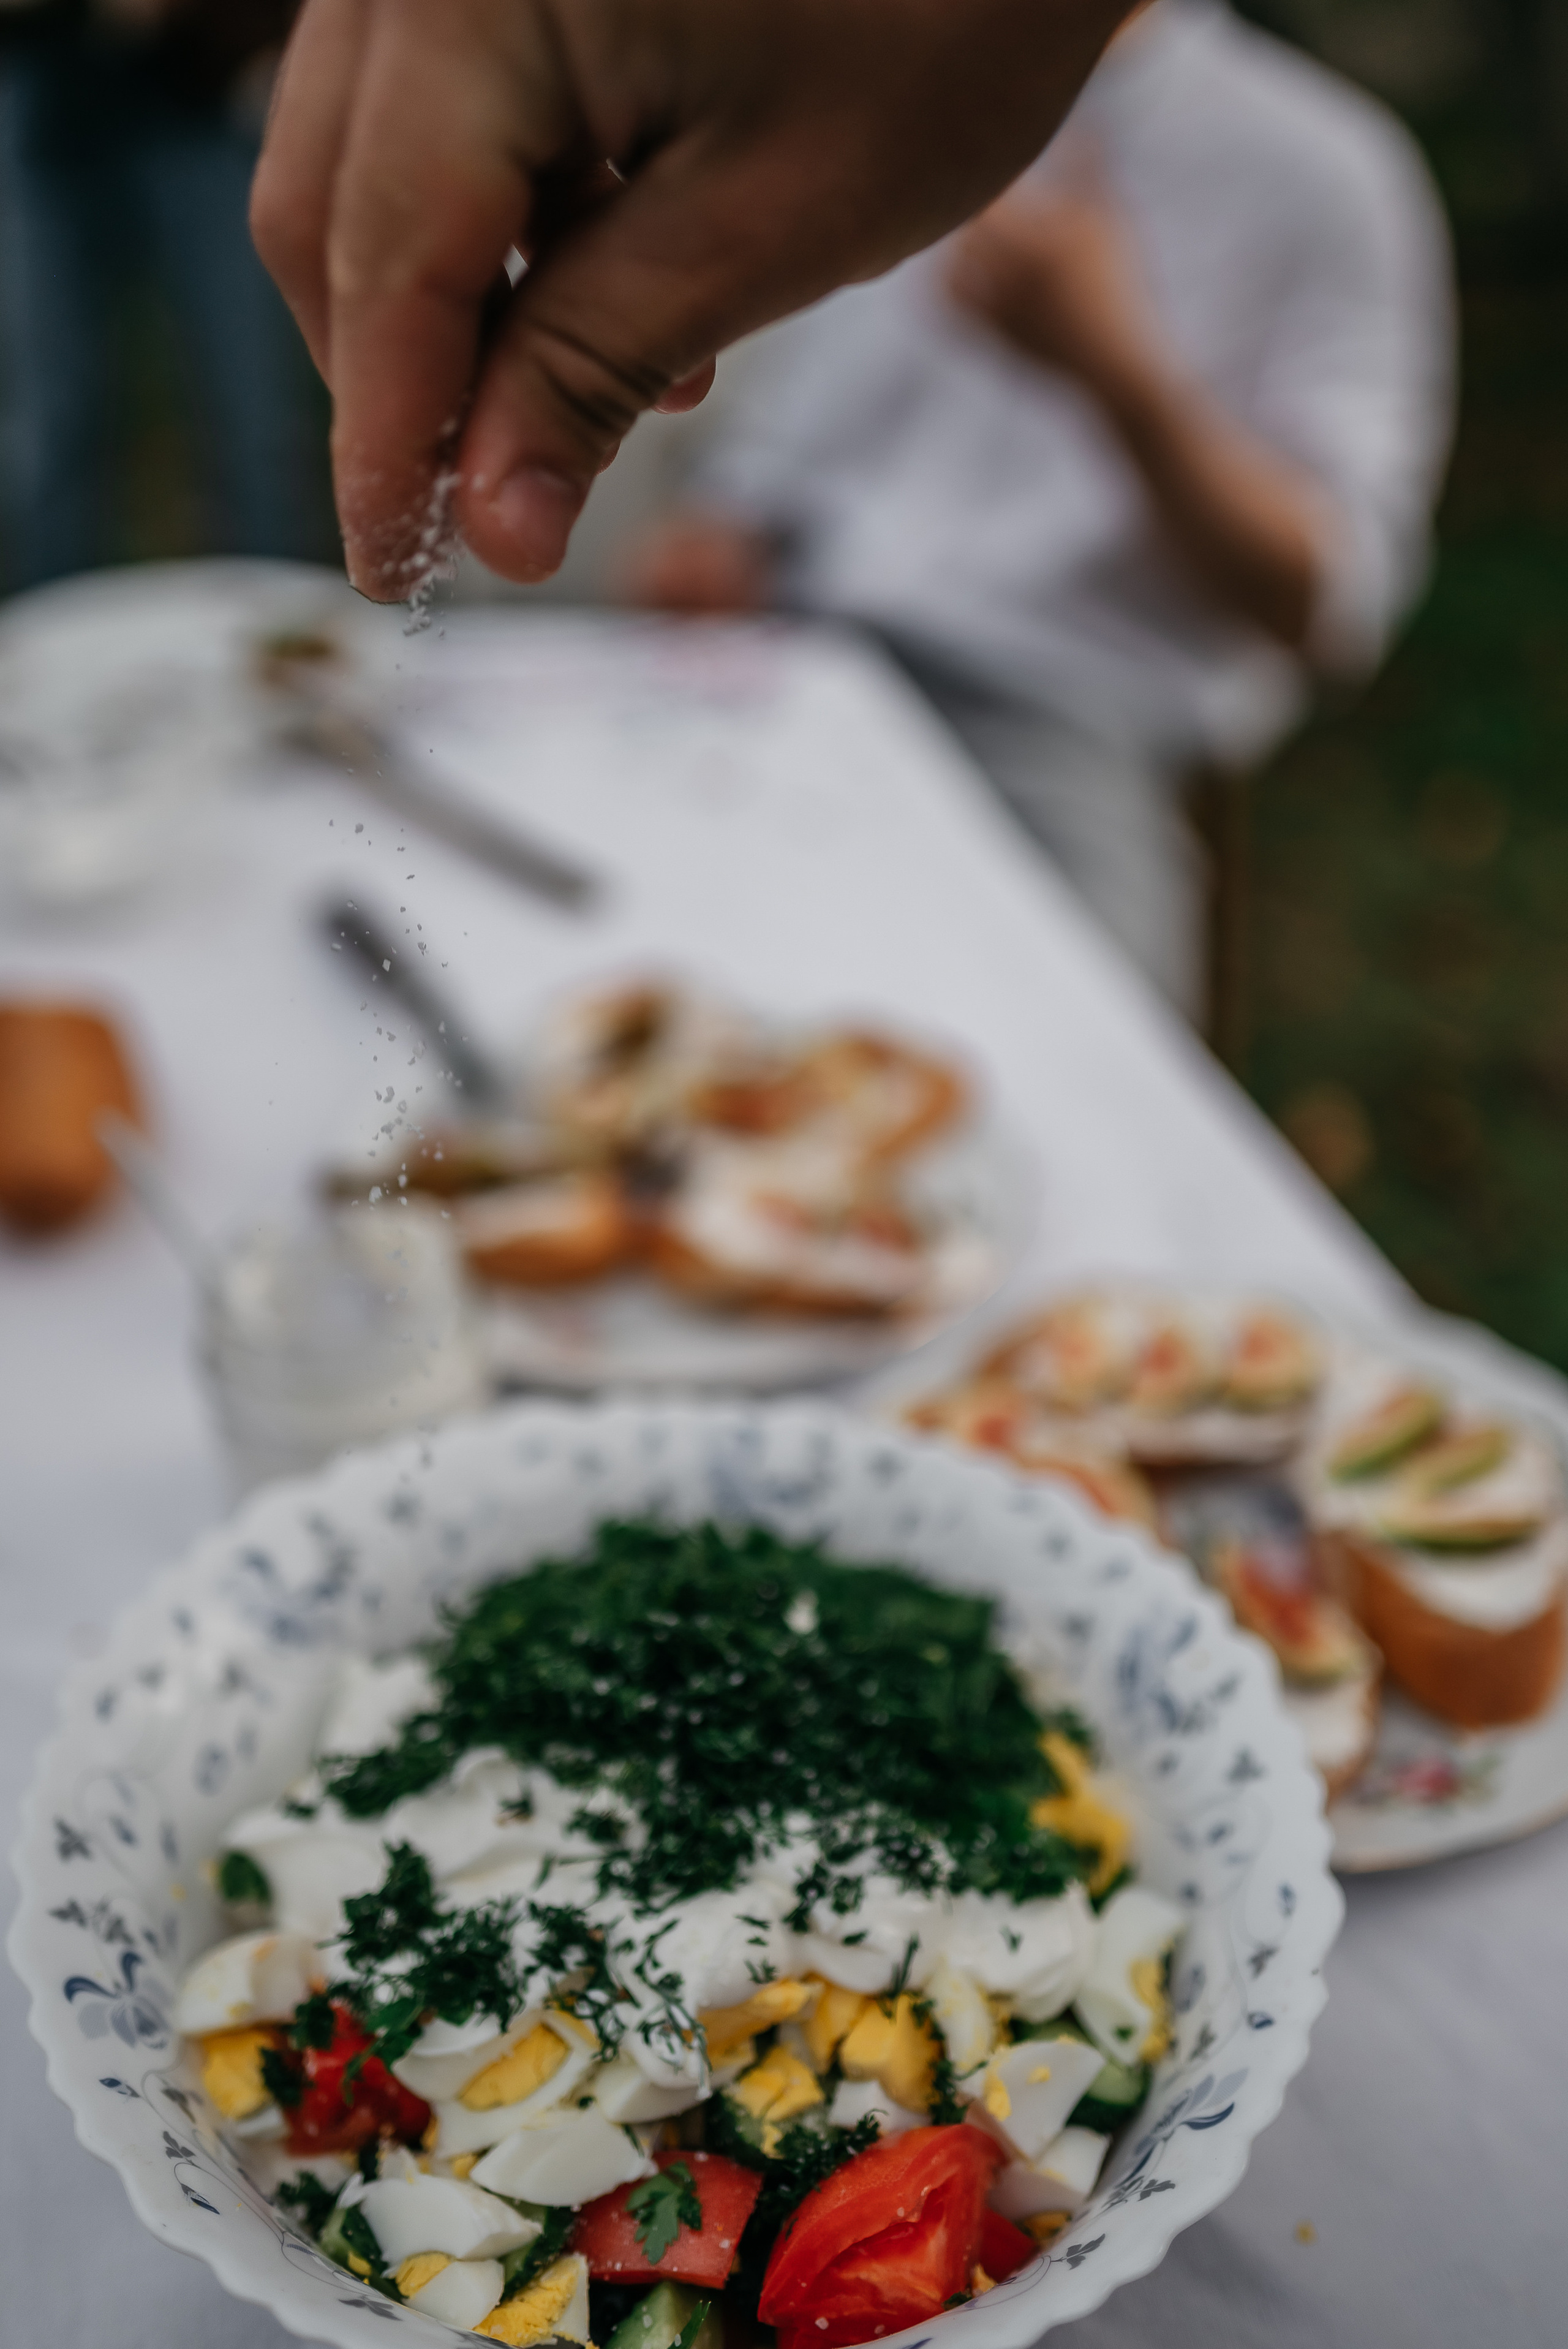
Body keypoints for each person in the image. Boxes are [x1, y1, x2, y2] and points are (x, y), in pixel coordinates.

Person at [619, 0, 1455, 1013]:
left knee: (1083, 1047)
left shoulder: (1323, 168)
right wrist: (721, 530)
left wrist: (1115, 375)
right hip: (794, 659)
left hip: (1061, 713)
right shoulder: (892, 99)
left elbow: (1332, 604)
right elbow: (780, 438)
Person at [250, 0, 1135, 600]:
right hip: (803, 618)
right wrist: (731, 513)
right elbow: (816, 380)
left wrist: (1108, 365)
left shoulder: (1198, 128)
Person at [0, 0, 318, 588]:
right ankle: (50, 629)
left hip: (196, 97)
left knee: (255, 419)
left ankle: (284, 620)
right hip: (48, 105)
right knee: (51, 429)